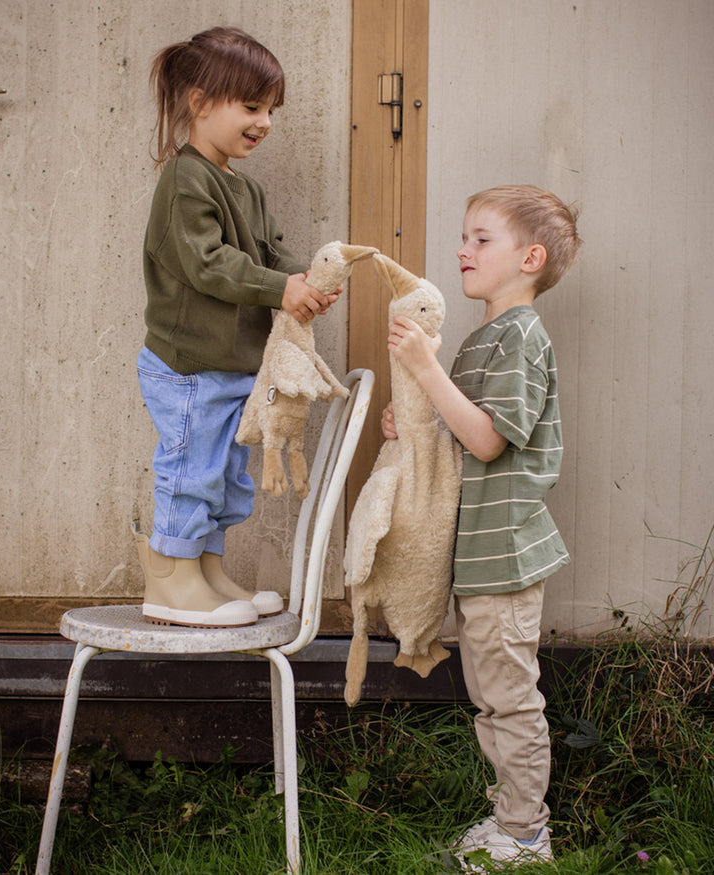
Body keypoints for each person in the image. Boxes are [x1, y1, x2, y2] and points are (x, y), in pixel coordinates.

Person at [384, 185, 581, 870]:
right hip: (482, 556)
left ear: (530, 258)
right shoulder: (485, 337)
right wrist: (412, 416)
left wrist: (424, 366)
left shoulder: (522, 336)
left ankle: (526, 833)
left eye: (481, 239)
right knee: (493, 698)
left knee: (508, 700)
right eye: (464, 237)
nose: (463, 249)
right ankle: (512, 817)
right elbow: (458, 431)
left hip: (505, 554)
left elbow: (491, 439)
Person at [136, 26, 338, 628]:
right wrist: (282, 290)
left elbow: (267, 254)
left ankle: (207, 571)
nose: (265, 121)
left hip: (228, 367)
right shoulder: (185, 180)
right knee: (190, 468)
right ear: (199, 103)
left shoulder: (245, 188)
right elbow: (208, 264)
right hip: (189, 366)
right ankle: (170, 580)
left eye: (270, 109)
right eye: (251, 106)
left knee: (224, 476)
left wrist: (306, 277)